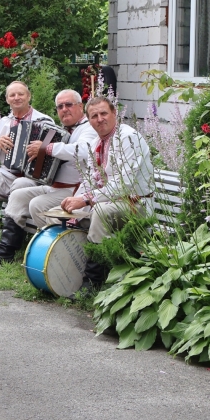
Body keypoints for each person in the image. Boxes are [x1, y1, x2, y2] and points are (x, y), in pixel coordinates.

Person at [0, 89, 97, 266]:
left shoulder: (88, 129)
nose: (64, 109)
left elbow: (83, 150)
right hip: (54, 186)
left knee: (35, 203)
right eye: (60, 106)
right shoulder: (62, 130)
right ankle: (5, 251)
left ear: (80, 106)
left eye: (69, 105)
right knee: (18, 195)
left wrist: (47, 148)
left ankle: (56, 252)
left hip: (75, 190)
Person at [59, 96, 154, 290]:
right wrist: (75, 200)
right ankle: (65, 273)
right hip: (110, 201)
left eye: (104, 113)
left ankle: (94, 283)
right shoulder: (97, 142)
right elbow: (90, 179)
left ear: (114, 114)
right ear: (89, 120)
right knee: (62, 212)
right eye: (94, 116)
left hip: (136, 205)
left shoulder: (127, 137)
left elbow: (124, 184)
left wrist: (85, 200)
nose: (99, 119)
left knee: (100, 212)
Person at [0, 81, 51, 252]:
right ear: (7, 100)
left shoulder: (44, 120)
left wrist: (41, 148)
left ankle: (11, 244)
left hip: (31, 178)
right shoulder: (4, 122)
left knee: (20, 186)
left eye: (20, 94)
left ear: (29, 96)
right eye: (12, 95)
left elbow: (51, 156)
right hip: (6, 173)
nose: (16, 97)